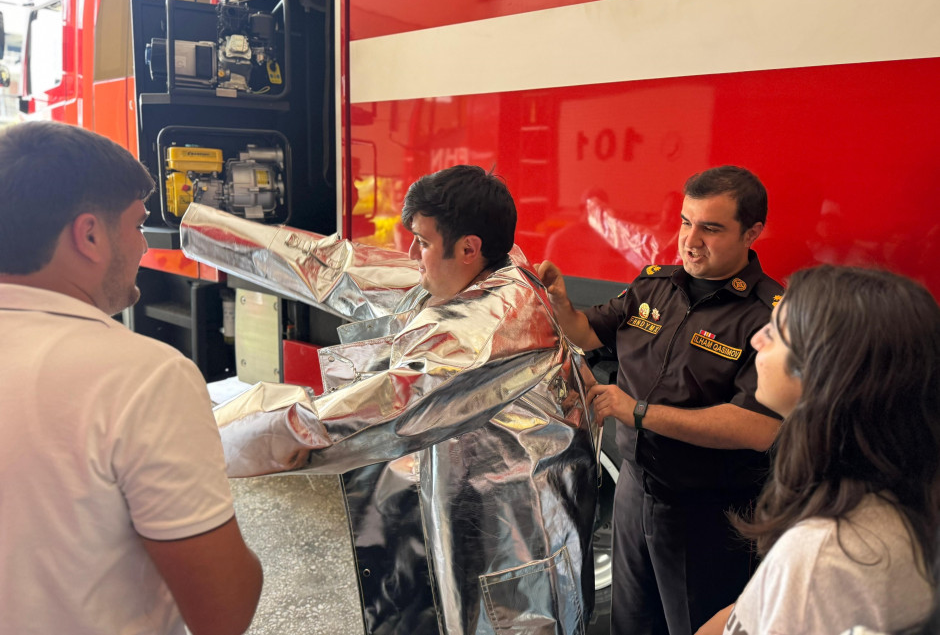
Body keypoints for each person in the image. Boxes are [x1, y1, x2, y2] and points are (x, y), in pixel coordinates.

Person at [179, 164, 598, 635]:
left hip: (514, 546)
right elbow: (339, 269)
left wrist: (195, 443)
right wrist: (205, 231)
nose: (412, 254)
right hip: (477, 518)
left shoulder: (487, 331)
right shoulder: (482, 271)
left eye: (422, 242)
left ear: (468, 248)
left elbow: (364, 415)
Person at [0, 121, 262, 635]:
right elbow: (224, 612)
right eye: (138, 225)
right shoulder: (144, 377)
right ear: (90, 235)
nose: (143, 246)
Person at [538, 165, 784, 635]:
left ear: (752, 233)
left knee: (695, 626)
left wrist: (638, 413)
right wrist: (559, 302)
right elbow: (587, 333)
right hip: (634, 491)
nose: (691, 240)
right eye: (686, 222)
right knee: (629, 623)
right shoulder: (654, 285)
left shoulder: (767, 315)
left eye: (711, 228)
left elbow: (758, 427)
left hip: (709, 511)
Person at [696, 265, 940, 635]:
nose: (757, 339)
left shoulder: (823, 556)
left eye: (774, 331)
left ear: (823, 373)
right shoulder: (890, 507)